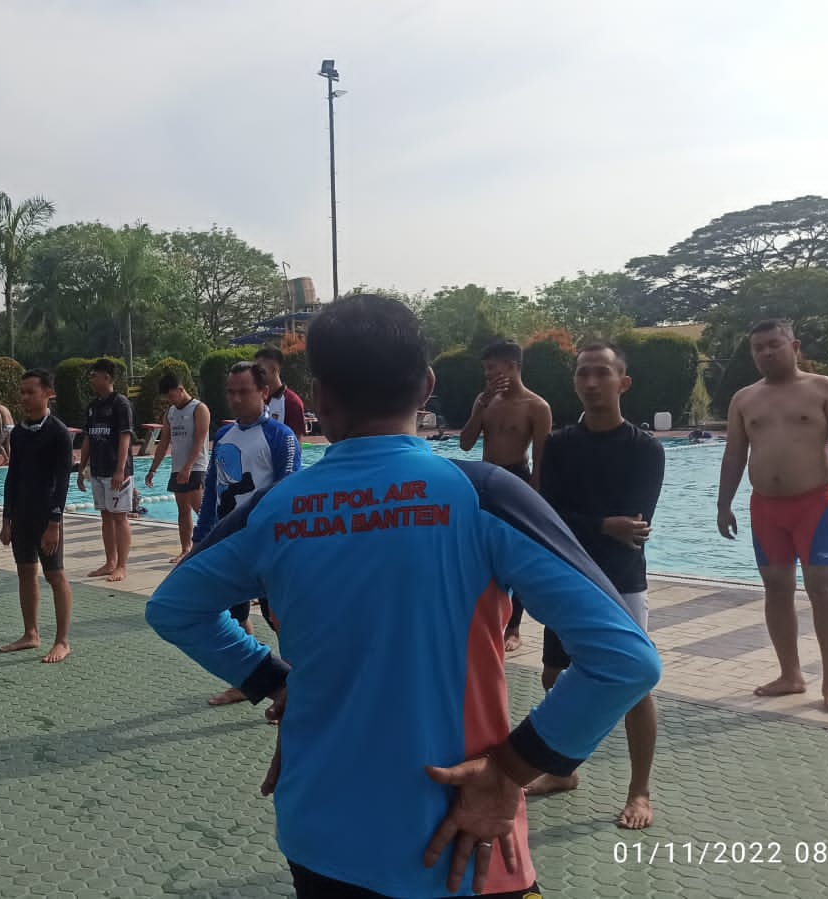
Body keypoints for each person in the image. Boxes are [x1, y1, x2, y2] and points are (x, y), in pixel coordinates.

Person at [146, 294, 660, 899]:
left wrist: (272, 679)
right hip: (462, 839)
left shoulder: (273, 510)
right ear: (427, 386)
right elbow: (626, 659)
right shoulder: (482, 495)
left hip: (322, 834)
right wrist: (513, 768)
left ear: (320, 397)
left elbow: (174, 607)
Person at [534, 343, 666, 829]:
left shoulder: (645, 449)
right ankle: (563, 770)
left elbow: (637, 522)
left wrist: (603, 527)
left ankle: (640, 792)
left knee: (636, 684)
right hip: (568, 577)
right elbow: (546, 515)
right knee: (554, 676)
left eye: (602, 373)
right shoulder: (561, 445)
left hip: (622, 582)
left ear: (622, 382)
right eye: (583, 374)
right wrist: (604, 526)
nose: (591, 382)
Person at [719, 319, 828, 712]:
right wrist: (722, 503)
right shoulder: (745, 398)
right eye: (758, 347)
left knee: (824, 592)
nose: (766, 352)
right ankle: (791, 674)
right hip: (765, 507)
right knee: (776, 589)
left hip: (817, 505)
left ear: (794, 345)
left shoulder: (824, 389)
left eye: (773, 344)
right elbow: (734, 454)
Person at [192, 360, 300, 705]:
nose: (236, 399)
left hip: (269, 546)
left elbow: (287, 492)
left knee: (279, 617)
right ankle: (249, 680)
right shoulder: (224, 434)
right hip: (232, 544)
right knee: (232, 614)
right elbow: (212, 492)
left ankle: (296, 685)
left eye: (244, 392)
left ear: (264, 392)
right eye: (231, 392)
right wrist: (199, 540)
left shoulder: (280, 437)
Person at [459, 339, 553, 653]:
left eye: (491, 368)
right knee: (482, 552)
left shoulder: (537, 407)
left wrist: (534, 498)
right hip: (485, 479)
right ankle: (485, 618)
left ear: (511, 367)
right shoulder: (485, 401)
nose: (487, 375)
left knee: (518, 554)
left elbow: (541, 461)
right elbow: (465, 444)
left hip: (516, 478)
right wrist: (481, 405)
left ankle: (513, 627)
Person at [0, 369, 75, 663]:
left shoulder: (58, 433)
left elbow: (62, 482)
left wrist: (54, 524)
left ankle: (62, 640)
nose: (24, 398)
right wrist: (7, 519)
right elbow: (12, 476)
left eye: (31, 392)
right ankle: (31, 634)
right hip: (21, 514)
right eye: (22, 392)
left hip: (46, 515)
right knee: (25, 572)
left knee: (55, 574)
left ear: (48, 394)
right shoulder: (18, 433)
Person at [78, 358, 135, 583]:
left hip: (116, 470)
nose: (91, 379)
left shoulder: (120, 404)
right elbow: (88, 439)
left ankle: (121, 565)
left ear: (108, 378)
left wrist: (120, 470)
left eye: (95, 375)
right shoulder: (93, 406)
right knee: (105, 516)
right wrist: (82, 468)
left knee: (119, 517)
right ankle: (110, 561)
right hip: (98, 469)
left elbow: (125, 438)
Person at [145, 374, 212, 564]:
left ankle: (215, 543)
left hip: (196, 467)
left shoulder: (199, 409)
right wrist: (153, 469)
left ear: (181, 390)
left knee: (201, 509)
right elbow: (164, 442)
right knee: (182, 510)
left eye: (171, 396)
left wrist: (188, 467)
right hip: (177, 468)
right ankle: (186, 549)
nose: (170, 400)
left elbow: (200, 441)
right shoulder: (171, 413)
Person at [255, 346, 307, 436]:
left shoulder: (292, 403)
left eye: (261, 372)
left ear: (274, 370)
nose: (256, 376)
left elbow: (295, 444)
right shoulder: (255, 398)